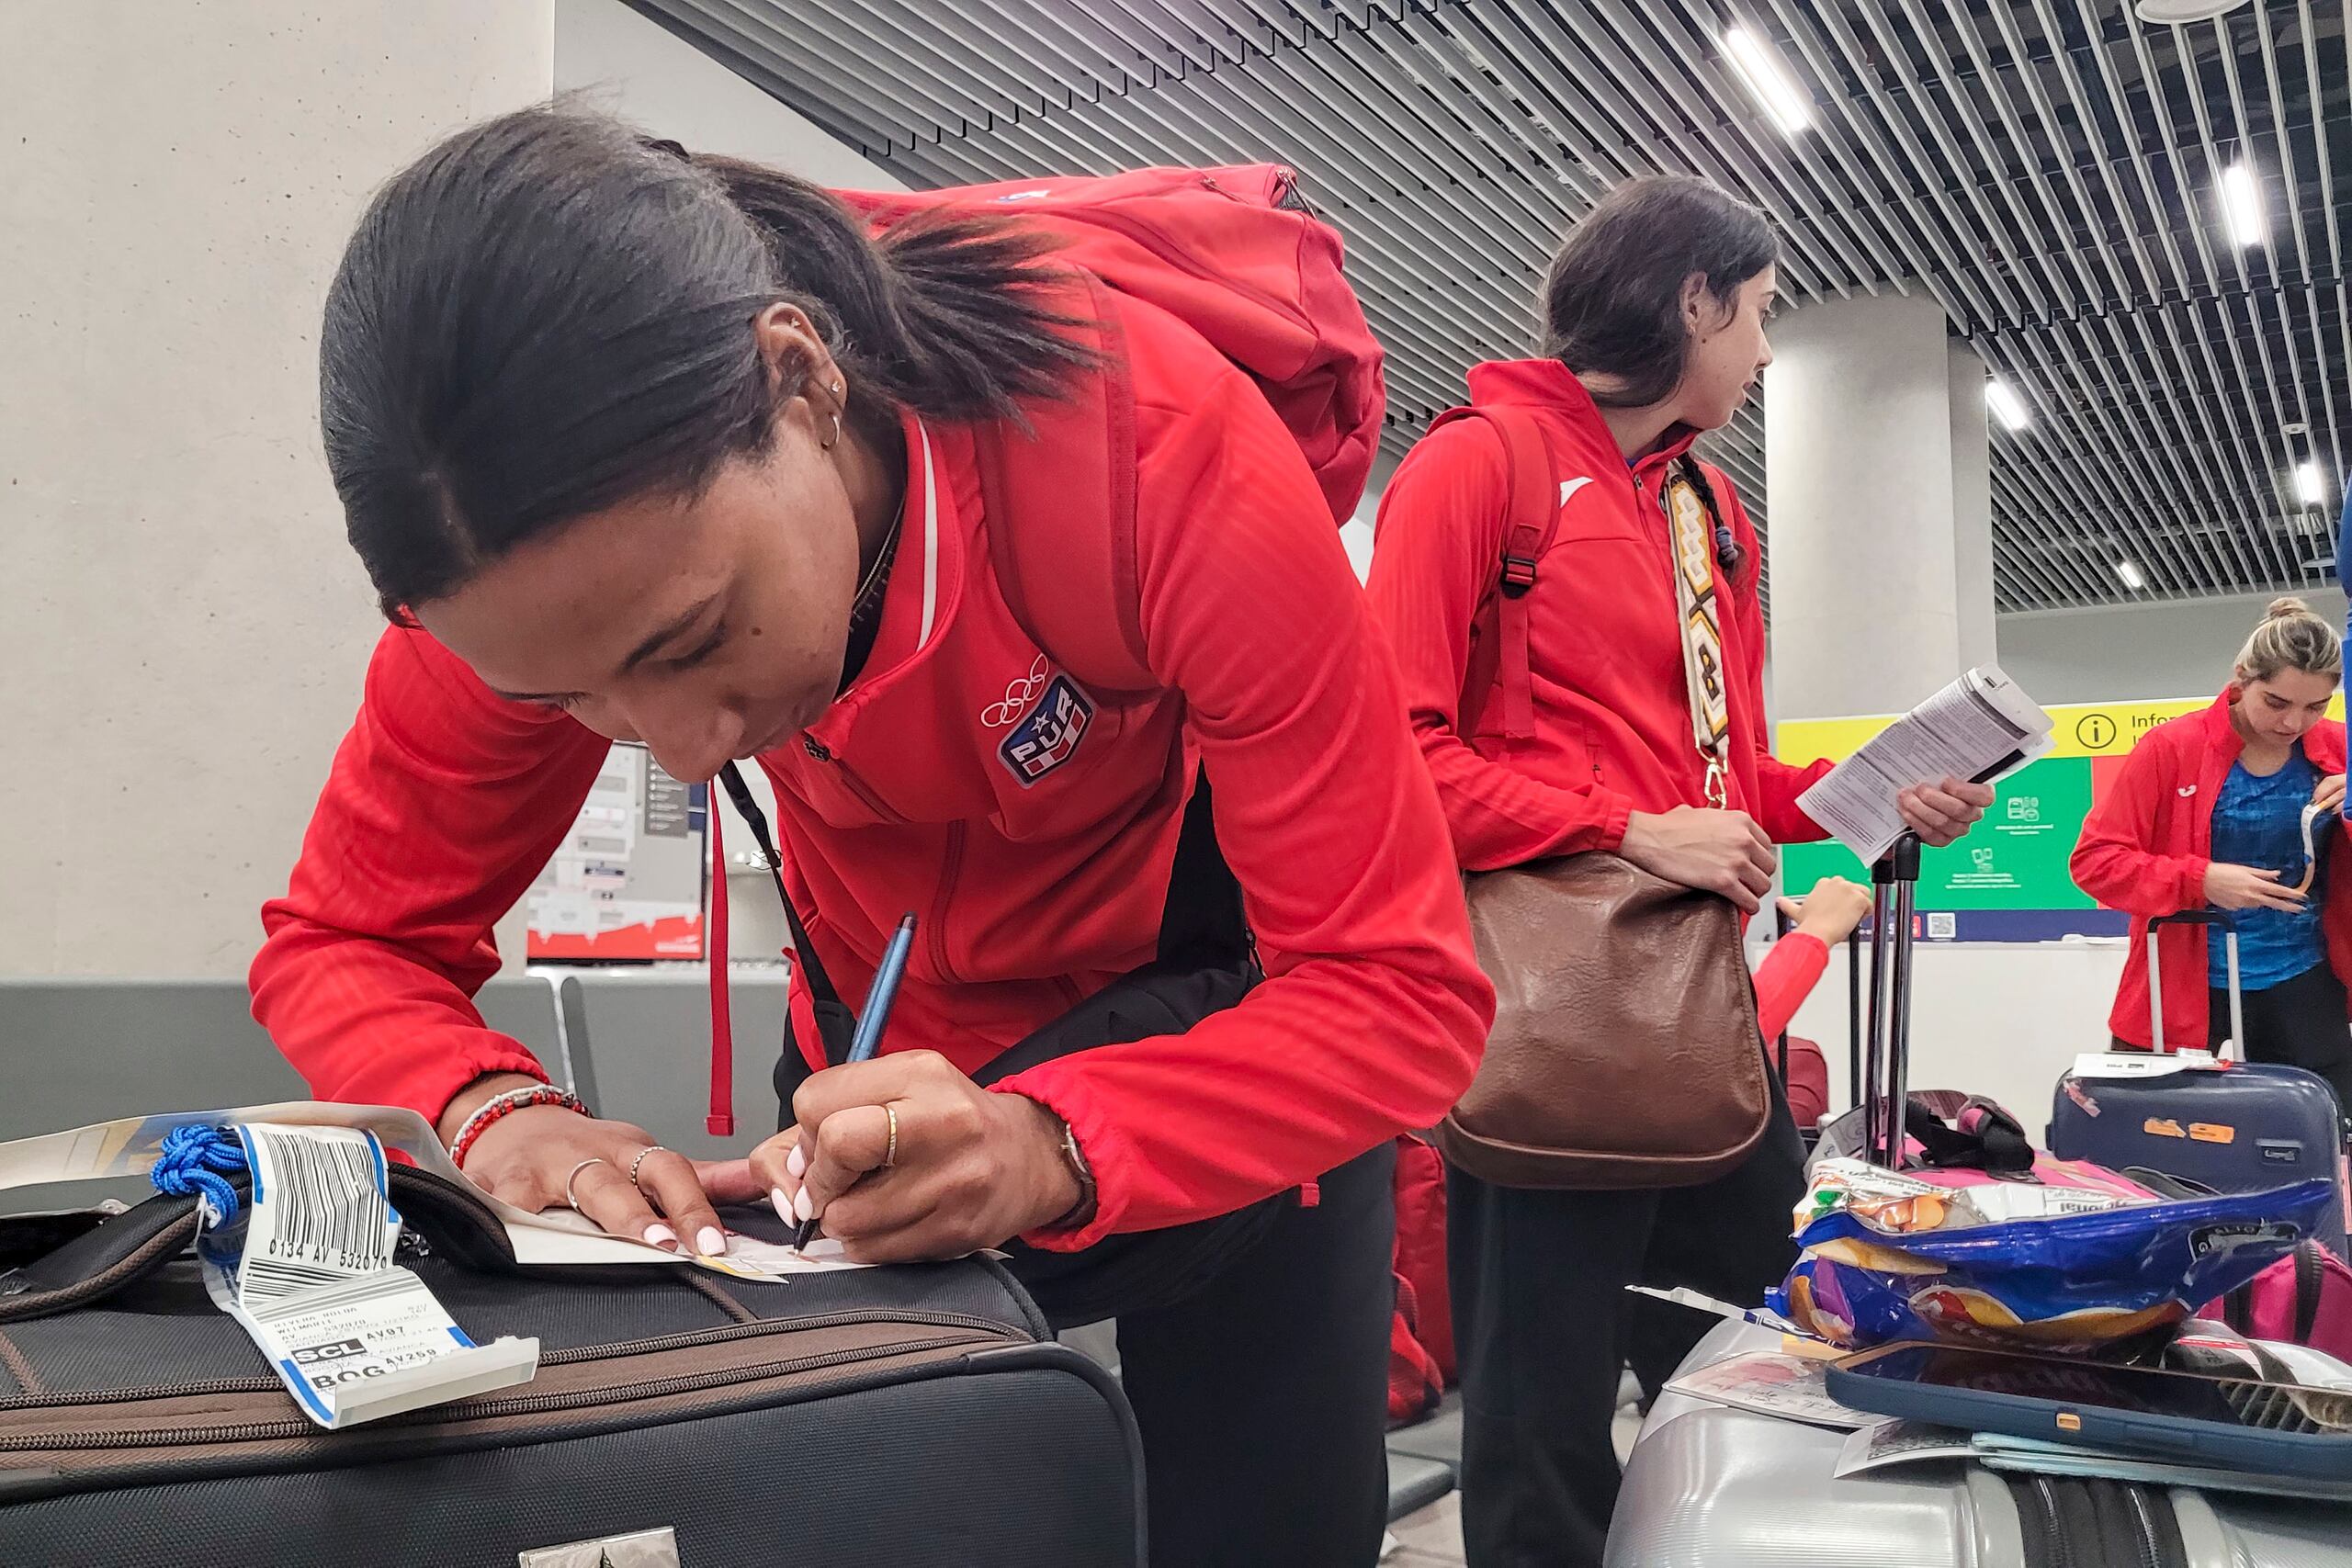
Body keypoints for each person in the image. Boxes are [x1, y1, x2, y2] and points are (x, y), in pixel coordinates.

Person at [249, 107, 1493, 1568]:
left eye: (692, 637)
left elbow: (1399, 991)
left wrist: (1053, 1140)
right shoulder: (516, 576)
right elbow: (344, 939)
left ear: (802, 379)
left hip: (1226, 1055)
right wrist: (496, 1111)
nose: (679, 747)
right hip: (864, 1070)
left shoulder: (1157, 455)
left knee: (1262, 1524)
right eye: (568, 700)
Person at [1363, 174, 1991, 1567]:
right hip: (1546, 1009)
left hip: (1701, 1012)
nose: (1765, 350)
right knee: (1540, 1405)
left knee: (1769, 1345)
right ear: (1691, 302)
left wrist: (1885, 795)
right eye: (1757, 313)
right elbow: (1391, 755)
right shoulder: (1476, 467)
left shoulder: (1709, 510)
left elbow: (1729, 778)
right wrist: (1626, 827)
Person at [2073, 597, 2352, 1104]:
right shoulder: (2171, 748)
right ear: (2242, 677)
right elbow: (2095, 862)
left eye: (2316, 706)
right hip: (2181, 984)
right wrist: (2200, 880)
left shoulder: (2341, 748)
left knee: (2316, 1133)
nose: (2294, 723)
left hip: (2304, 980)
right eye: (2276, 702)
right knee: (2157, 1131)